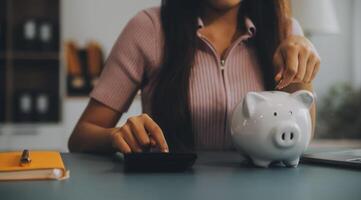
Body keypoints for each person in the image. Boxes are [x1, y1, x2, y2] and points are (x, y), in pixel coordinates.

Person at [68, 0, 320, 153]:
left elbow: (300, 140)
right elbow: (81, 136)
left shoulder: (285, 31)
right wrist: (116, 136)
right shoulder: (148, 28)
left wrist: (300, 67)